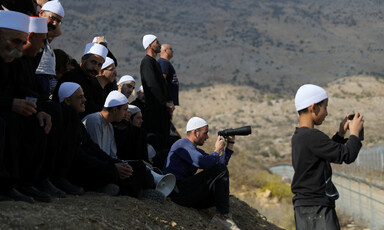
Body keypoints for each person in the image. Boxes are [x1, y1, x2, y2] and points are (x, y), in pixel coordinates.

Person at [291, 84, 364, 230]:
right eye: (325, 107)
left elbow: (326, 153)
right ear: (314, 107)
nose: (326, 113)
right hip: (317, 209)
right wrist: (355, 133)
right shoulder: (312, 136)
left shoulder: (300, 136)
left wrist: (341, 134)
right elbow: (347, 155)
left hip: (306, 207)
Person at [58, 83, 131, 196]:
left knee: (134, 170)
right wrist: (112, 167)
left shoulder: (77, 123)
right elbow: (80, 155)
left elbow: (94, 148)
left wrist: (116, 164)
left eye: (83, 96)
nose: (84, 100)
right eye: (80, 97)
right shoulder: (89, 120)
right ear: (67, 101)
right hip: (77, 170)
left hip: (95, 163)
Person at [163, 117, 237, 226]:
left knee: (221, 194)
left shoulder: (195, 150)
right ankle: (223, 216)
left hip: (186, 192)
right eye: (205, 133)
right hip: (177, 192)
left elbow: (219, 166)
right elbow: (205, 163)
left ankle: (222, 218)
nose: (207, 137)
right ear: (195, 132)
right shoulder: (182, 144)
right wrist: (217, 150)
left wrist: (230, 143)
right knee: (220, 172)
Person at [0, 10, 35, 203]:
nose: (20, 49)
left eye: (23, 43)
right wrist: (10, 103)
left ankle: (19, 183)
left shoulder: (11, 61)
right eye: (15, 41)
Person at [53, 42, 108, 118]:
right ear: (83, 59)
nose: (95, 68)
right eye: (93, 62)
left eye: (99, 65)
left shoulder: (95, 82)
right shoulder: (70, 77)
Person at [140, 34, 174, 151]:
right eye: (157, 42)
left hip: (161, 111)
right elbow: (152, 85)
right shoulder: (147, 63)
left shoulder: (154, 63)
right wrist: (164, 102)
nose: (159, 44)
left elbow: (162, 85)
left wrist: (169, 101)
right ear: (150, 45)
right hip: (155, 112)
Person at [35, 0, 64, 97]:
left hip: (47, 77)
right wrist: (44, 5)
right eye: (52, 18)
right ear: (41, 13)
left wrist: (49, 5)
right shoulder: (32, 25)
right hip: (36, 75)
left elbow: (57, 32)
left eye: (59, 21)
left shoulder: (46, 32)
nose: (55, 24)